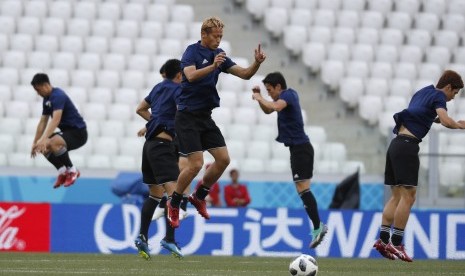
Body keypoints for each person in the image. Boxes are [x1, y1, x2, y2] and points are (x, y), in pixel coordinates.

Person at [167, 16, 266, 228]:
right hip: (186, 117)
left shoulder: (219, 55)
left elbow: (245, 74)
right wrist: (213, 67)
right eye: (216, 36)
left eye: (221, 36)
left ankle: (199, 196)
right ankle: (174, 202)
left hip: (204, 116)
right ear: (204, 34)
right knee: (196, 164)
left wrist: (256, 63)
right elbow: (190, 76)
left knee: (223, 159)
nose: (219, 40)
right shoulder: (192, 51)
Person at [373, 70, 465, 262]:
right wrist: (459, 125)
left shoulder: (424, 92)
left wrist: (438, 119)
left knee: (396, 196)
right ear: (448, 87)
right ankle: (396, 244)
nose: (452, 98)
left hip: (395, 145)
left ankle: (383, 240)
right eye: (454, 93)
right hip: (407, 147)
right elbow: (446, 121)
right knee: (409, 197)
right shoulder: (440, 96)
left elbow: (422, 114)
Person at [251, 72, 327, 248]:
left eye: (270, 90)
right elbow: (268, 109)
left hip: (301, 149)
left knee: (303, 188)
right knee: (302, 189)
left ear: (278, 86)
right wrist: (260, 98)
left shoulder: (288, 95)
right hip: (298, 149)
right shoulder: (282, 98)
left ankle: (318, 227)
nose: (269, 93)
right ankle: (317, 227)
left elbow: (275, 107)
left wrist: (258, 96)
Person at [133, 59, 184, 260]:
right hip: (163, 147)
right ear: (180, 74)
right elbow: (182, 115)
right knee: (174, 195)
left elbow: (140, 109)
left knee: (154, 195)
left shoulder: (158, 88)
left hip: (149, 147)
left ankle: (142, 236)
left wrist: (154, 123)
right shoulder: (178, 91)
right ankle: (169, 239)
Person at [30, 73, 87, 188]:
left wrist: (44, 138)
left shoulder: (58, 96)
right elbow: (43, 122)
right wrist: (36, 142)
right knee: (42, 146)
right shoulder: (46, 99)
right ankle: (62, 172)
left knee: (51, 142)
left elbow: (55, 120)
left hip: (78, 133)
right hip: (67, 132)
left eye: (38, 90)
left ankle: (73, 170)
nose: (38, 93)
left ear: (45, 85)